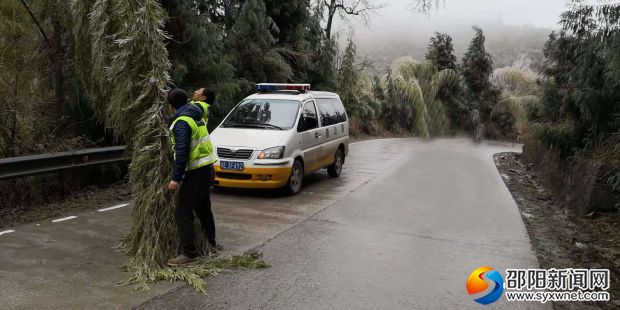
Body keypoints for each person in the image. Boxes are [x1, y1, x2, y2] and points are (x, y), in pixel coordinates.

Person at [166, 88, 218, 267]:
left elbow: (181, 152)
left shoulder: (181, 122)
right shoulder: (196, 114)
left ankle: (189, 254)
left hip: (196, 173)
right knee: (204, 208)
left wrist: (175, 178)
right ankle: (211, 244)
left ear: (171, 107)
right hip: (207, 170)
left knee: (183, 211)